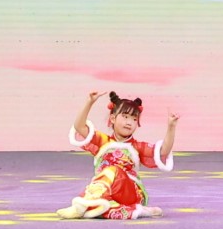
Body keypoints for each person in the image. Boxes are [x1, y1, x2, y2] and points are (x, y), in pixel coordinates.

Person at [57, 91, 177, 220]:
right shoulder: (103, 141)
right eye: (125, 117)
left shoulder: (137, 146)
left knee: (112, 170)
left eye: (134, 119)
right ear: (113, 118)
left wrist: (171, 126)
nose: (129, 122)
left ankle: (80, 206)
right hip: (108, 191)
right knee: (99, 208)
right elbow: (80, 127)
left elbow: (163, 151)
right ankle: (140, 211)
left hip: (130, 193)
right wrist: (89, 102)